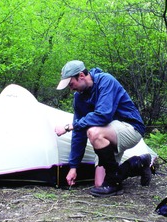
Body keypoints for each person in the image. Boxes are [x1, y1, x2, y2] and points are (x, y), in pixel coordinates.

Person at [54, 60, 153, 197]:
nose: (71, 89)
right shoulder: (79, 98)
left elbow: (103, 115)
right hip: (107, 133)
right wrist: (73, 167)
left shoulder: (106, 81)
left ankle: (114, 182)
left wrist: (70, 126)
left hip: (130, 127)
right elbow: (79, 135)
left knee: (93, 132)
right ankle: (139, 163)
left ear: (81, 76)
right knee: (99, 185)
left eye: (71, 84)